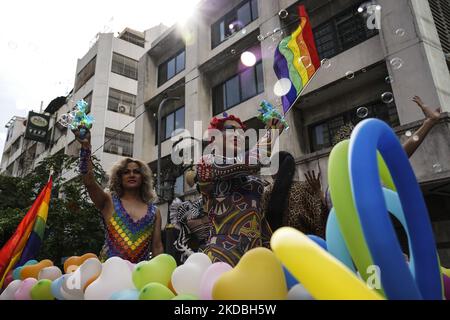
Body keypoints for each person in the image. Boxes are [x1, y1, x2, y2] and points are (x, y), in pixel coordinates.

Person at [196, 113, 284, 266]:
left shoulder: (254, 181)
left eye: (241, 132)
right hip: (222, 257)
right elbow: (254, 160)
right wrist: (272, 133)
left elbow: (259, 221)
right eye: (230, 129)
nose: (238, 134)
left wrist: (272, 254)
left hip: (255, 258)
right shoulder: (207, 163)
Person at [72, 126, 164, 263]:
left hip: (139, 278)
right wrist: (86, 148)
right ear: (119, 177)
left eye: (136, 172)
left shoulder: (154, 212)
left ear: (143, 177)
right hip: (108, 276)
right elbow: (89, 182)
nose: (131, 175)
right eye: (126, 172)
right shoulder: (108, 201)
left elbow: (157, 248)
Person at [261, 152, 328, 238]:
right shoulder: (305, 189)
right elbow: (321, 219)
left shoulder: (267, 192)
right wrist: (318, 192)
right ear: (292, 169)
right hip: (306, 246)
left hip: (276, 247)